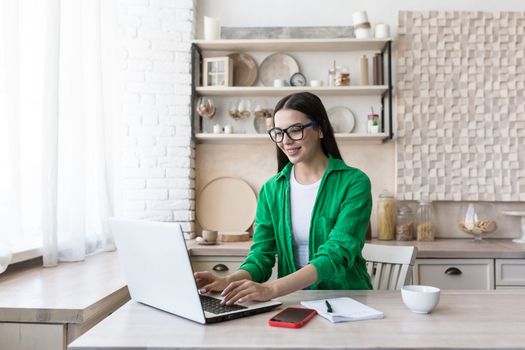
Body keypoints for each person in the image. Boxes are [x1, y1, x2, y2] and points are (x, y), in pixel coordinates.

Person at [194, 92, 372, 305]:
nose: (285, 141)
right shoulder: (271, 190)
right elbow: (261, 256)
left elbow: (337, 254)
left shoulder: (354, 182)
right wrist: (227, 281)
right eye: (278, 133)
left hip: (347, 301)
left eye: (295, 130)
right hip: (295, 300)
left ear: (321, 129)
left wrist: (271, 289)